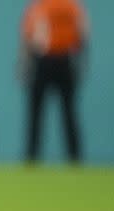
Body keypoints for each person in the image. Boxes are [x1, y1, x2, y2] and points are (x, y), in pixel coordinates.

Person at [20, 0, 88, 163]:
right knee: (65, 113)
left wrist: (24, 65)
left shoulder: (41, 6)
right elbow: (83, 36)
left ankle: (33, 157)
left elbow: (28, 39)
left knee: (40, 114)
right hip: (63, 61)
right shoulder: (72, 7)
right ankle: (73, 158)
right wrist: (82, 62)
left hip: (47, 61)